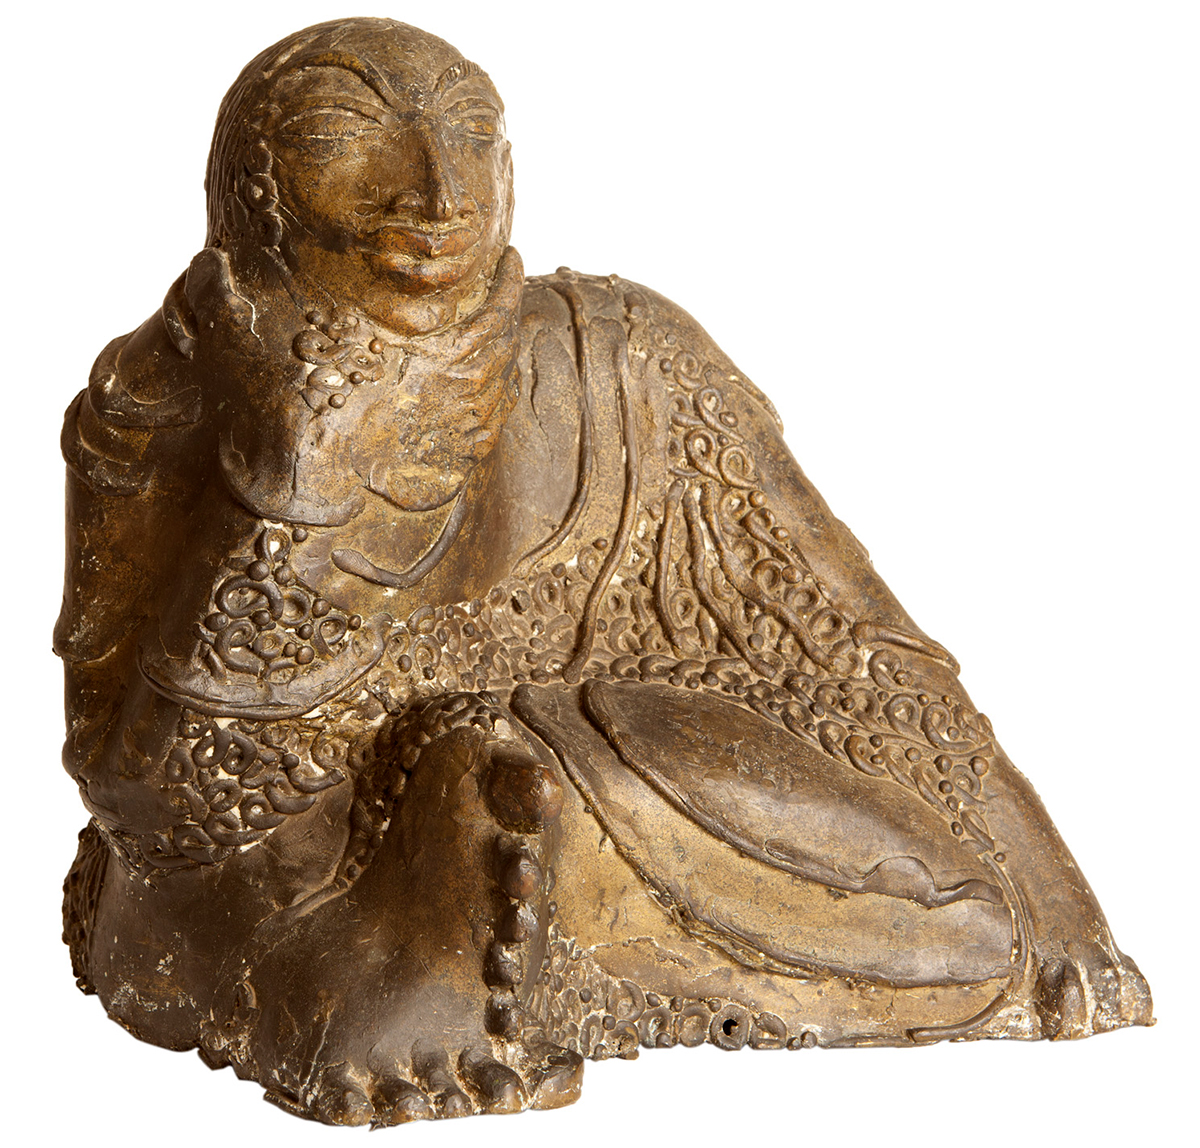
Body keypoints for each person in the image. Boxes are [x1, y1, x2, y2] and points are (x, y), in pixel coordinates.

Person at [58, 17, 1151, 1127]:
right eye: (347, 139)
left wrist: (1053, 888)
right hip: (234, 890)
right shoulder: (161, 393)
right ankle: (432, 940)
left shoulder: (620, 356)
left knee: (551, 782)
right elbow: (144, 797)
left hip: (603, 783)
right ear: (255, 188)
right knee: (483, 794)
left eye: (471, 137)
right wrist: (297, 494)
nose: (434, 193)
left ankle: (489, 926)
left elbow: (860, 656)